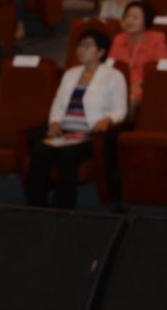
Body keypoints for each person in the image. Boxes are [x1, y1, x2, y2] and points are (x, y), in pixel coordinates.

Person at [25, 28, 126, 209]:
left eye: (87, 46)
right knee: (40, 152)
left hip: (90, 134)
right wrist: (55, 122)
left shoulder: (114, 76)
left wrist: (108, 119)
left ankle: (62, 207)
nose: (81, 50)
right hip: (65, 132)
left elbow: (120, 110)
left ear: (101, 52)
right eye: (80, 46)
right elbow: (58, 103)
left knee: (68, 156)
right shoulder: (71, 73)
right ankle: (36, 206)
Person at [106, 1, 167, 108]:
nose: (130, 20)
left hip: (145, 87)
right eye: (127, 16)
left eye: (135, 17)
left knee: (128, 99)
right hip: (119, 84)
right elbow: (111, 66)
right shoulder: (119, 39)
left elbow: (159, 72)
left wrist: (136, 84)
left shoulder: (157, 40)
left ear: (146, 20)